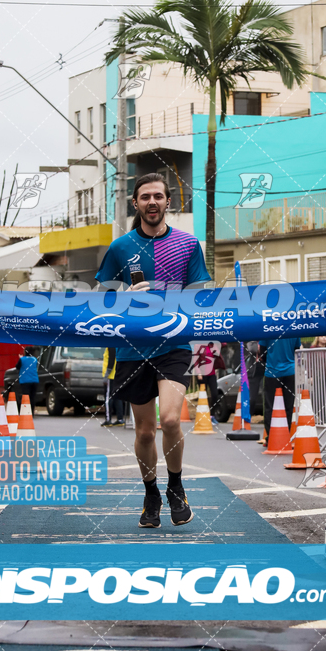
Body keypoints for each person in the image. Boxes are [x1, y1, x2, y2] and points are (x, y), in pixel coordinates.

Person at [96, 172, 210, 529]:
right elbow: (102, 298)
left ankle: (176, 486)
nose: (152, 202)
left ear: (168, 202)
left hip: (173, 342)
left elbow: (200, 294)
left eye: (158, 196)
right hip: (132, 347)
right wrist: (123, 298)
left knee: (171, 420)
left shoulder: (188, 244)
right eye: (145, 197)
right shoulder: (120, 247)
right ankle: (151, 491)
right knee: (144, 432)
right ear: (136, 203)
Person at [261, 335, 301, 440]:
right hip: (290, 371)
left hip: (272, 371)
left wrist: (269, 361)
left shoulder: (268, 328)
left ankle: (271, 436)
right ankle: (285, 434)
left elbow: (262, 351)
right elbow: (297, 349)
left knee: (270, 405)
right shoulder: (294, 329)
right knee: (288, 404)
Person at [101, 348, 124, 426]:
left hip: (110, 376)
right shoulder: (117, 345)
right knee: (117, 397)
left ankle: (108, 419)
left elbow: (111, 360)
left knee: (108, 398)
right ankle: (120, 419)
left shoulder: (111, 345)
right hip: (117, 375)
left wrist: (106, 375)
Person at [15, 346, 40, 413]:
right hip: (35, 380)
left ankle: (25, 412)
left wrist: (20, 358)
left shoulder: (22, 359)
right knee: (32, 397)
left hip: (25, 381)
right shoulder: (35, 359)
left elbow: (17, 367)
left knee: (26, 397)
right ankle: (31, 412)